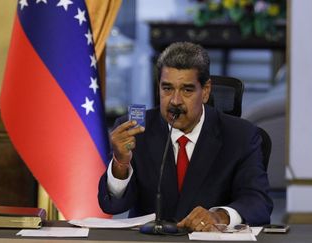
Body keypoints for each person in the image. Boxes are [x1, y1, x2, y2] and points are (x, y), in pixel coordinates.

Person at [98, 42, 273, 232]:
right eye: (167, 89)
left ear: (205, 91)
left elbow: (258, 201)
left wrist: (219, 216)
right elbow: (113, 206)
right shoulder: (135, 132)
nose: (175, 101)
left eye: (187, 90)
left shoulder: (241, 135)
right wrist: (120, 163)